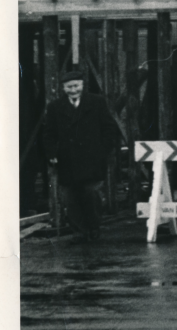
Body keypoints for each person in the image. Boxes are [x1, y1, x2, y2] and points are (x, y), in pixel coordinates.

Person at [42, 70, 120, 243]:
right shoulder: (55, 107)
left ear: (83, 86)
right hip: (67, 160)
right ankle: (79, 232)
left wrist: (102, 150)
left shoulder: (97, 102)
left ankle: (93, 227)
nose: (73, 90)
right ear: (63, 88)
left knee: (91, 194)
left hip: (92, 159)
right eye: (69, 87)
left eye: (76, 86)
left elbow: (109, 128)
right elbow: (48, 134)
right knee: (70, 197)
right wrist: (52, 154)